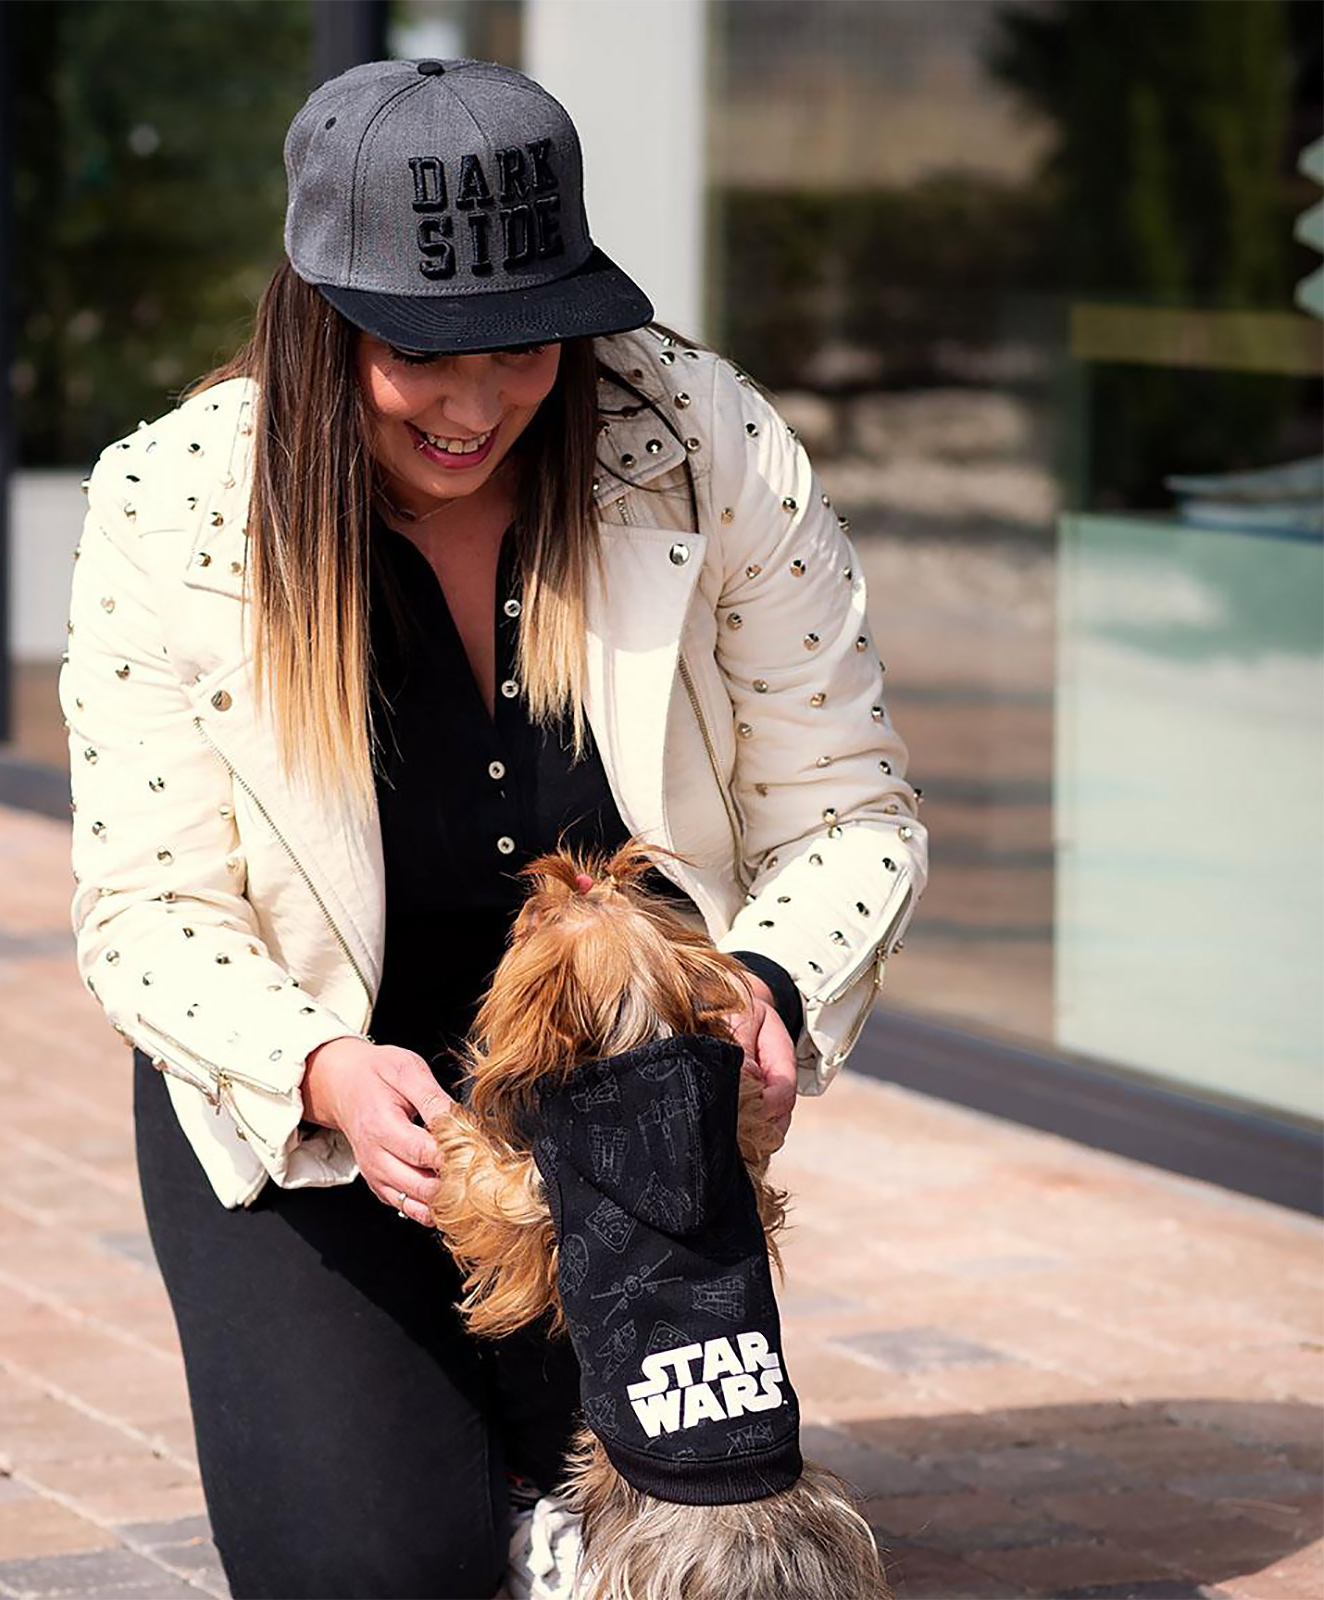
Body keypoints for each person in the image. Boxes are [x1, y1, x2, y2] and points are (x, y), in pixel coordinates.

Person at [62, 56, 926, 1600]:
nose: (475, 403)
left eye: (524, 346)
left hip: (619, 1092)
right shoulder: (174, 503)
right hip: (314, 1092)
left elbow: (851, 811)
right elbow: (147, 912)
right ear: (322, 318)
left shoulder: (701, 443)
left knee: (694, 1539)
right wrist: (310, 1066)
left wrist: (770, 990)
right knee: (372, 1572)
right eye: (420, 352)